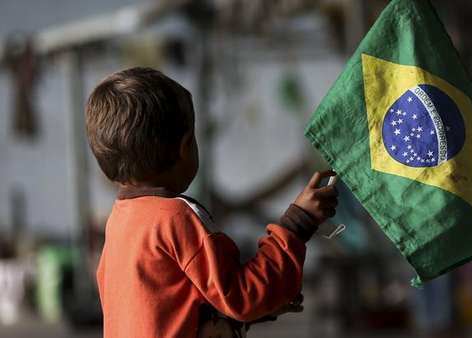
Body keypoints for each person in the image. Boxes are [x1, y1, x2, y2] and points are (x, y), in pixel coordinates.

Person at [85, 67, 338, 338]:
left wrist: (240, 313)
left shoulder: (121, 221)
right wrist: (299, 222)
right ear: (185, 147)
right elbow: (242, 297)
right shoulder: (176, 218)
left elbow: (165, 312)